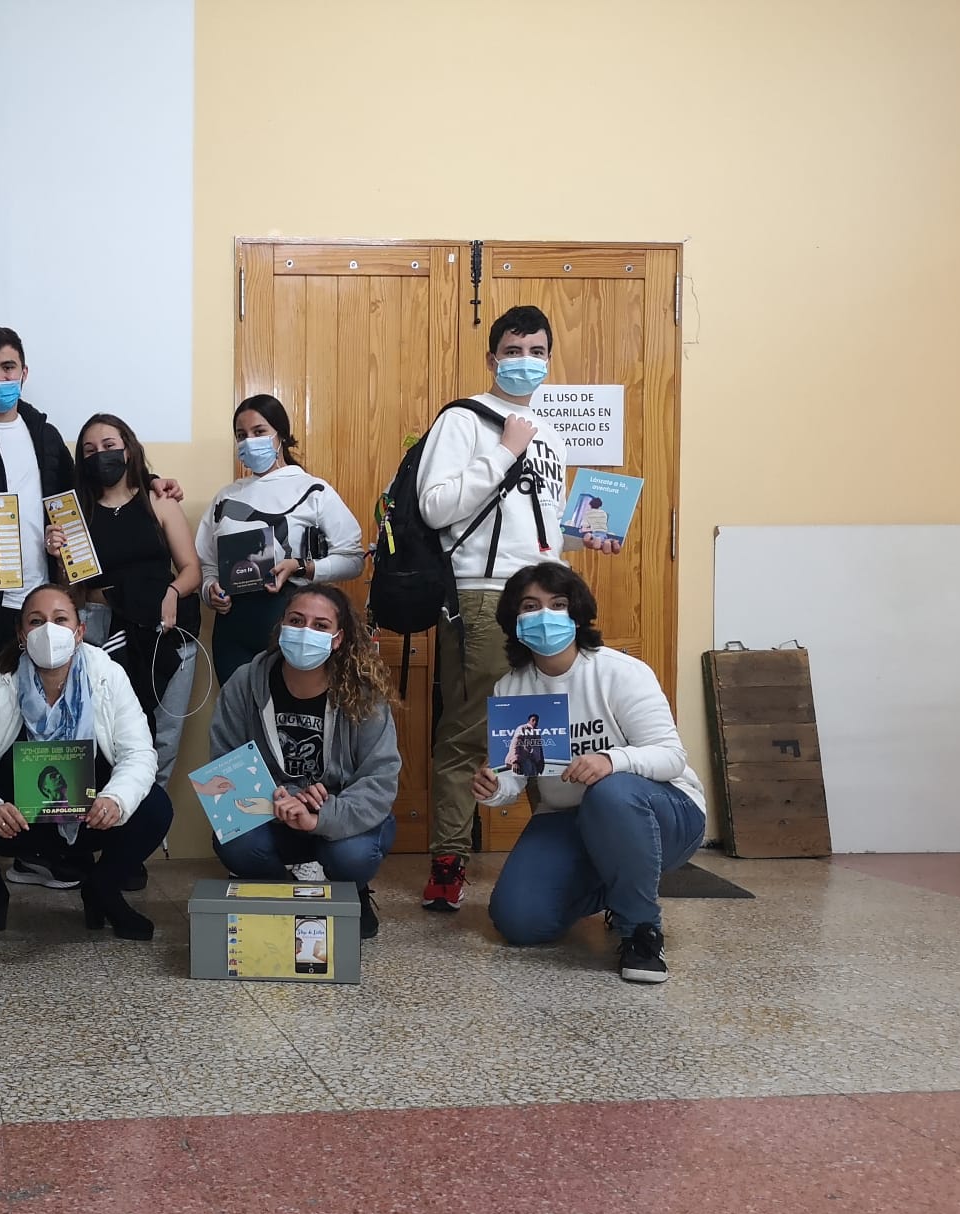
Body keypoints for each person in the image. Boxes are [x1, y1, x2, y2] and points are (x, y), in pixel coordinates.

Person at [0, 330, 182, 899]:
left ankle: (41, 851)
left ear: (24, 371)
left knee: (52, 728)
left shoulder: (45, 438)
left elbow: (90, 494)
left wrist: (152, 481)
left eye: (7, 367)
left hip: (44, 610)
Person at [418, 304, 618, 915]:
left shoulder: (549, 434)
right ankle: (448, 864)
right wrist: (504, 451)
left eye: (536, 352)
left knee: (543, 731)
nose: (525, 362)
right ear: (492, 358)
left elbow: (537, 526)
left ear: (549, 359)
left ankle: (556, 858)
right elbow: (435, 507)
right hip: (482, 593)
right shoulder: (463, 420)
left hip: (547, 595)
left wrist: (585, 537)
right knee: (469, 732)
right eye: (513, 351)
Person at [474, 562, 705, 984]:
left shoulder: (619, 672)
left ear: (577, 613)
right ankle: (620, 883)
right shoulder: (512, 688)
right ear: (514, 620)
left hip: (661, 813)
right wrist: (494, 787)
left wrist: (612, 760)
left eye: (558, 603)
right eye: (530, 606)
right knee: (519, 921)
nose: (545, 615)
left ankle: (640, 930)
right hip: (567, 818)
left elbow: (671, 756)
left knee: (610, 792)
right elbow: (517, 773)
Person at [0, 583, 173, 944]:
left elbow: (140, 753)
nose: (49, 630)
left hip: (89, 816)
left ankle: (102, 890)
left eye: (60, 619)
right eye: (37, 621)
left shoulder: (107, 674)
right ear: (22, 635)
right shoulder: (2, 680)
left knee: (155, 808)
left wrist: (116, 799)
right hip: (17, 821)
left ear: (79, 631)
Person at [205, 585, 401, 940]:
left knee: (352, 856)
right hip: (272, 811)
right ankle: (281, 892)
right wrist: (280, 801)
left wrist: (319, 815)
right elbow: (224, 769)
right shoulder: (244, 683)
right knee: (234, 841)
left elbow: (380, 780)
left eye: (320, 625)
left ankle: (352, 892)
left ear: (338, 639)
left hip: (341, 813)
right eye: (296, 621)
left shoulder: (364, 694)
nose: (305, 631)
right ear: (281, 626)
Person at [52, 413, 202, 786]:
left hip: (165, 628)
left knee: (163, 733)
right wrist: (58, 557)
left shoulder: (159, 500)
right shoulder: (75, 513)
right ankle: (107, 811)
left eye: (109, 446)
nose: (100, 455)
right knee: (103, 731)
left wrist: (172, 592)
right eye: (89, 450)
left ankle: (151, 812)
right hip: (100, 630)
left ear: (128, 450)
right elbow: (71, 590)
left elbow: (191, 570)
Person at [196, 395, 365, 687]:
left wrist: (300, 567)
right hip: (232, 630)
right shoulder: (226, 497)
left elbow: (353, 560)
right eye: (241, 435)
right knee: (236, 709)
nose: (249, 441)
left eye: (259, 432)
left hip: (295, 626)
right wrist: (209, 590)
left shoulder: (313, 490)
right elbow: (208, 564)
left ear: (281, 435)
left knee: (289, 708)